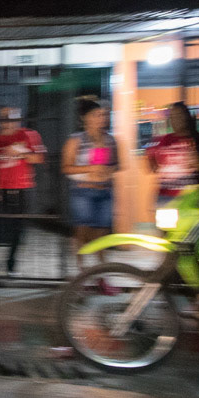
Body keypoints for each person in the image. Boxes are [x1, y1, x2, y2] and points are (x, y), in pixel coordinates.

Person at [0, 106, 46, 277]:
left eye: (11, 117)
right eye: (4, 118)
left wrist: (21, 152)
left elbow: (39, 158)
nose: (8, 121)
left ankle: (10, 265)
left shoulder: (27, 135)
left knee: (17, 229)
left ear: (18, 119)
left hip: (20, 188)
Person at [62, 98, 119, 274]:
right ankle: (82, 271)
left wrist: (108, 172)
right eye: (96, 115)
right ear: (85, 118)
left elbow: (116, 165)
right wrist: (90, 168)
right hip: (83, 191)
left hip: (104, 191)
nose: (101, 118)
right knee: (82, 233)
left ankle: (101, 272)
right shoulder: (76, 140)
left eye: (104, 115)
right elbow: (66, 168)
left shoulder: (110, 140)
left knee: (101, 235)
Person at [146, 101, 199, 206]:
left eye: (179, 115)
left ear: (187, 116)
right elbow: (152, 166)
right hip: (166, 198)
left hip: (192, 198)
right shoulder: (163, 140)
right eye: (172, 116)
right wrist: (151, 161)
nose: (175, 119)